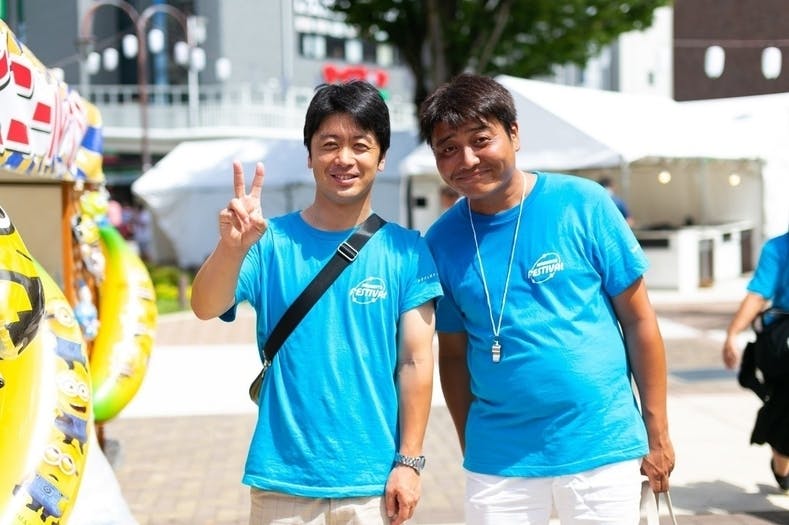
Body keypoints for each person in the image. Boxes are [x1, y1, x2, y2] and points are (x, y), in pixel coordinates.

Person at [419, 73, 674, 524]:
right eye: (448, 148)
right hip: (499, 461)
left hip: (601, 445)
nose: (467, 159)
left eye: (481, 140)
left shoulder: (583, 203)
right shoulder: (440, 241)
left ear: (514, 134)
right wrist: (471, 443)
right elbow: (453, 355)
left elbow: (639, 321)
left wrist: (657, 432)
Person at [190, 80, 442, 525]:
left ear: (381, 157)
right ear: (309, 155)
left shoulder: (407, 251)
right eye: (329, 144)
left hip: (372, 483)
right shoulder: (269, 242)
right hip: (282, 481)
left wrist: (409, 462)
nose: (344, 158)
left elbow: (415, 362)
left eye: (360, 145)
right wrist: (230, 248)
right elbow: (205, 306)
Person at [722, 230, 789, 490]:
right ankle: (782, 465)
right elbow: (758, 295)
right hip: (782, 346)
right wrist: (733, 333)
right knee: (783, 416)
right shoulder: (778, 248)